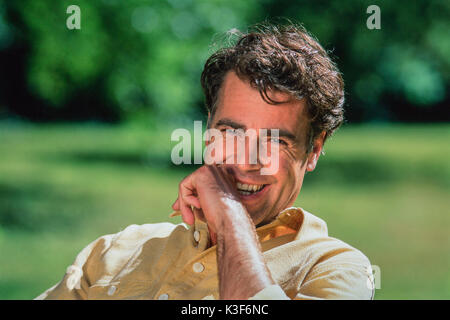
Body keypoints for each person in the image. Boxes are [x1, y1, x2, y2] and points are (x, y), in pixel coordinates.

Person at [35, 22, 374, 300]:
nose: (247, 160)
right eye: (230, 132)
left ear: (313, 150)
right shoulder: (116, 250)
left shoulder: (336, 270)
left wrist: (228, 217)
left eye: (275, 141)